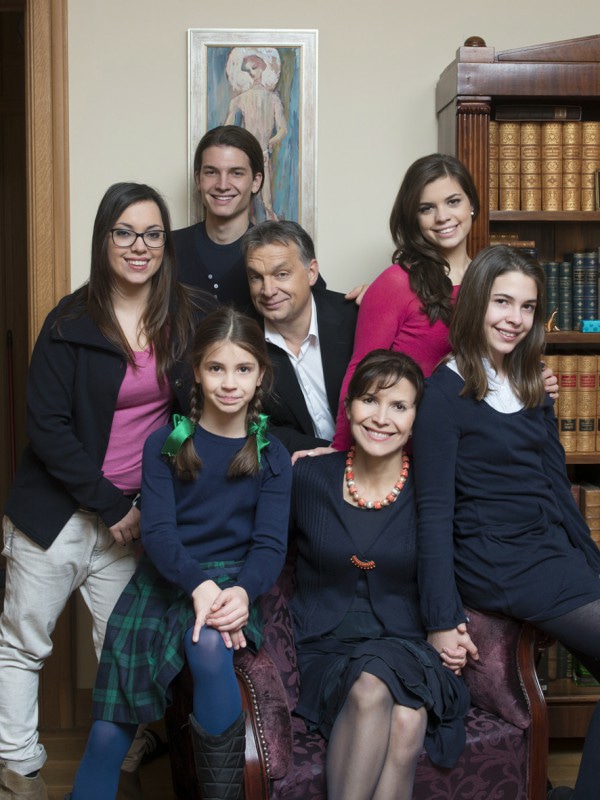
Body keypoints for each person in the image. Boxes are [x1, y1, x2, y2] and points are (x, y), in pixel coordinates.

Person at [0, 182, 209, 799]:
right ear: (104, 240)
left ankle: (119, 761)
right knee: (23, 641)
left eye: (152, 234)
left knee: (126, 650)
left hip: (135, 517)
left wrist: (154, 489)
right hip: (59, 512)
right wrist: (111, 504)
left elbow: (190, 414)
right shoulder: (69, 321)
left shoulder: (184, 317)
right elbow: (47, 427)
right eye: (125, 232)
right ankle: (19, 771)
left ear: (165, 243)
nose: (139, 246)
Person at [68, 307, 292, 800]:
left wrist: (241, 593)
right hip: (165, 582)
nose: (229, 383)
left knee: (209, 645)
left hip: (234, 581)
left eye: (243, 369)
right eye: (216, 368)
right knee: (109, 729)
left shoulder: (271, 454)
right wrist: (197, 585)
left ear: (261, 375)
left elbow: (269, 545)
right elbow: (159, 535)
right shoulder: (167, 444)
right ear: (196, 371)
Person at [412, 245, 600, 800]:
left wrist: (593, 564)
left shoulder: (531, 383)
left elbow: (556, 487)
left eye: (527, 306)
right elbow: (433, 512)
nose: (514, 318)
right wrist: (441, 617)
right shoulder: (442, 395)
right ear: (476, 302)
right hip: (497, 562)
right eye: (502, 302)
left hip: (548, 552)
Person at [290, 349, 472, 800]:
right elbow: (258, 543)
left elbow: (456, 560)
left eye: (399, 406)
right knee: (406, 715)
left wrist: (453, 621)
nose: (381, 418)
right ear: (349, 407)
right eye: (370, 400)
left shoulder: (431, 491)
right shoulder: (308, 477)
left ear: (415, 419)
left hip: (406, 643)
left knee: (380, 687)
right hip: (325, 649)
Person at [242, 220, 357, 453]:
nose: (268, 290)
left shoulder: (356, 317)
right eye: (256, 277)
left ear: (311, 272)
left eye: (281, 274)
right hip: (299, 465)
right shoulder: (241, 340)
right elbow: (252, 425)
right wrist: (331, 453)